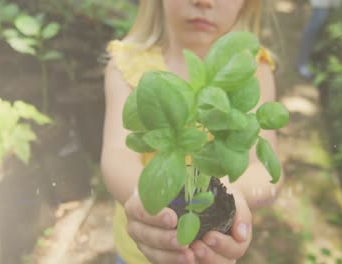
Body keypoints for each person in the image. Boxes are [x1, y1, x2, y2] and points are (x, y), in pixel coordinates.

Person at [101, 0, 284, 263]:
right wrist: (147, 203)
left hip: (208, 249)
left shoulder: (251, 69)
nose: (204, 2)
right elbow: (117, 154)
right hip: (139, 247)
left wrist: (231, 195)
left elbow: (266, 173)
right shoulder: (127, 65)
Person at [297, 0, 342, 79]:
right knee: (312, 29)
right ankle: (302, 63)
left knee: (318, 30)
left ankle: (307, 62)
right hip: (323, 3)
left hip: (328, 4)